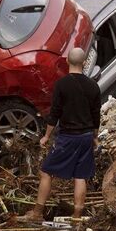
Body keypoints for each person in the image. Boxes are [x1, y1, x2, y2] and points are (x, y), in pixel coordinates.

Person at [23, 48, 102, 222]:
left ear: (67, 62)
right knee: (80, 176)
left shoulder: (61, 85)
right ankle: (76, 216)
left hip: (68, 137)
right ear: (84, 63)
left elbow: (55, 114)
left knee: (46, 172)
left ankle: (37, 213)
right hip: (86, 136)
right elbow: (96, 116)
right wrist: (94, 137)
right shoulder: (93, 86)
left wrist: (46, 136)